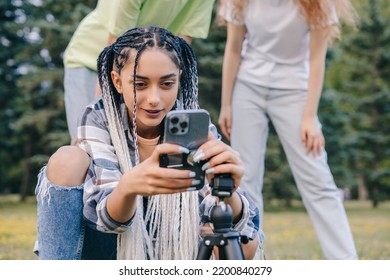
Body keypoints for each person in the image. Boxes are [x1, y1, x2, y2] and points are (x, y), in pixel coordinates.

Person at [35, 26, 262, 260]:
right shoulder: (100, 118)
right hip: (111, 245)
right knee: (67, 159)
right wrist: (129, 187)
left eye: (166, 84)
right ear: (117, 81)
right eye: (140, 84)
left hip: (174, 245)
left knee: (248, 235)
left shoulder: (194, 125)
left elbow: (239, 239)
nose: (154, 100)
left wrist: (227, 189)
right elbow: (108, 222)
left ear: (178, 80)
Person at [217, 0, 358, 259]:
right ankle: (251, 260)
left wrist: (310, 117)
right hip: (248, 87)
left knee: (318, 179)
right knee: (245, 179)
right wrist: (226, 104)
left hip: (295, 90)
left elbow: (317, 59)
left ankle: (345, 264)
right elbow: (234, 49)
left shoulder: (319, 4)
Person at [64, 0, 215, 142]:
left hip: (150, 72)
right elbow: (112, 55)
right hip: (91, 61)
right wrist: (100, 121)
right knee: (90, 142)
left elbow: (181, 49)